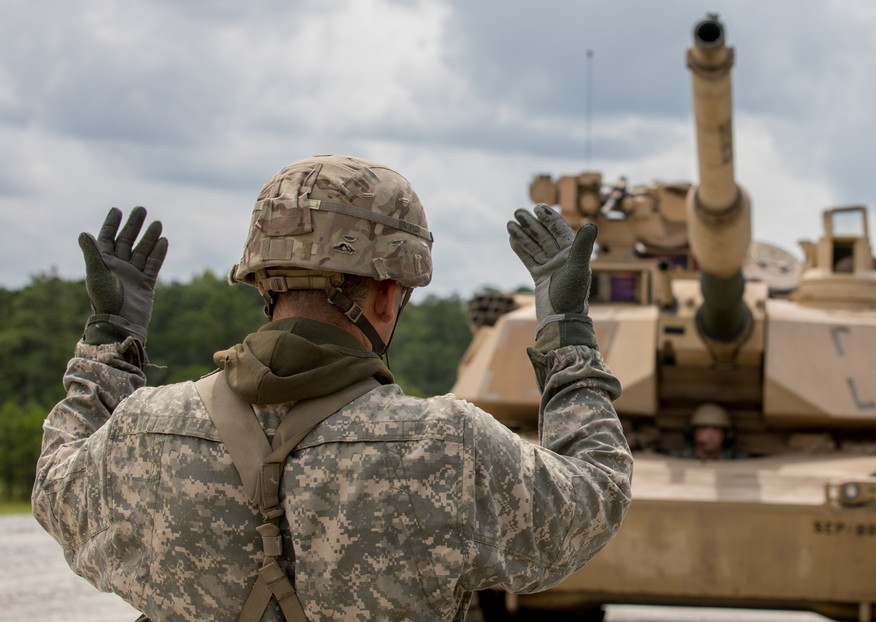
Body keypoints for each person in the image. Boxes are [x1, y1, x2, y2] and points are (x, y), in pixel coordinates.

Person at [32, 155, 632, 621]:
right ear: (389, 294)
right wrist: (566, 333)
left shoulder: (142, 431)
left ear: (261, 282)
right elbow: (595, 496)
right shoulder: (450, 448)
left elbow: (55, 487)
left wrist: (109, 341)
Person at [673, 403, 743, 461]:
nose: (710, 435)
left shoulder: (738, 461)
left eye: (716, 429)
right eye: (704, 428)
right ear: (693, 432)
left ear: (727, 435)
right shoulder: (677, 459)